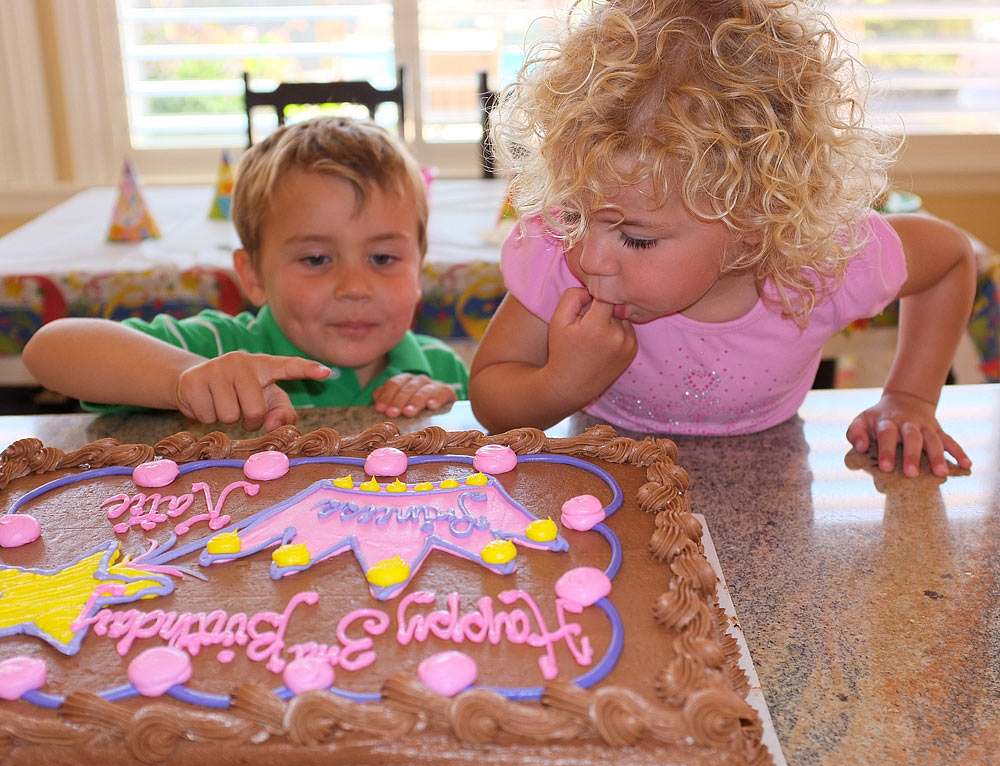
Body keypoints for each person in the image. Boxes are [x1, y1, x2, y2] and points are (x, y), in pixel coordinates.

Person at [469, 0, 975, 478]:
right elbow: (492, 404)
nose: (590, 258)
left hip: (774, 513)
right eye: (577, 216)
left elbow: (950, 258)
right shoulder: (560, 256)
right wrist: (561, 382)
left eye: (637, 239)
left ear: (756, 220)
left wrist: (910, 397)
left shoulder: (818, 265)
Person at [23, 117, 468, 432]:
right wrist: (185, 379)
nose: (354, 287)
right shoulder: (222, 350)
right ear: (252, 275)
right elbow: (50, 349)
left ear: (419, 270)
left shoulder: (442, 368)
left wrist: (446, 414)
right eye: (316, 259)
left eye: (383, 259)